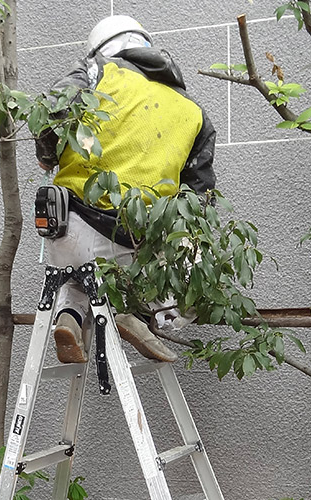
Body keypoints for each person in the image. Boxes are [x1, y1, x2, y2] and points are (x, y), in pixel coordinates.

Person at [35, 15, 217, 364]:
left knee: (75, 279)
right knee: (184, 254)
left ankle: (70, 320)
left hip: (65, 229)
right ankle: (145, 317)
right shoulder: (194, 111)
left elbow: (52, 109)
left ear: (100, 48)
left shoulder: (95, 71)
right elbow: (199, 200)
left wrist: (47, 155)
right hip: (136, 243)